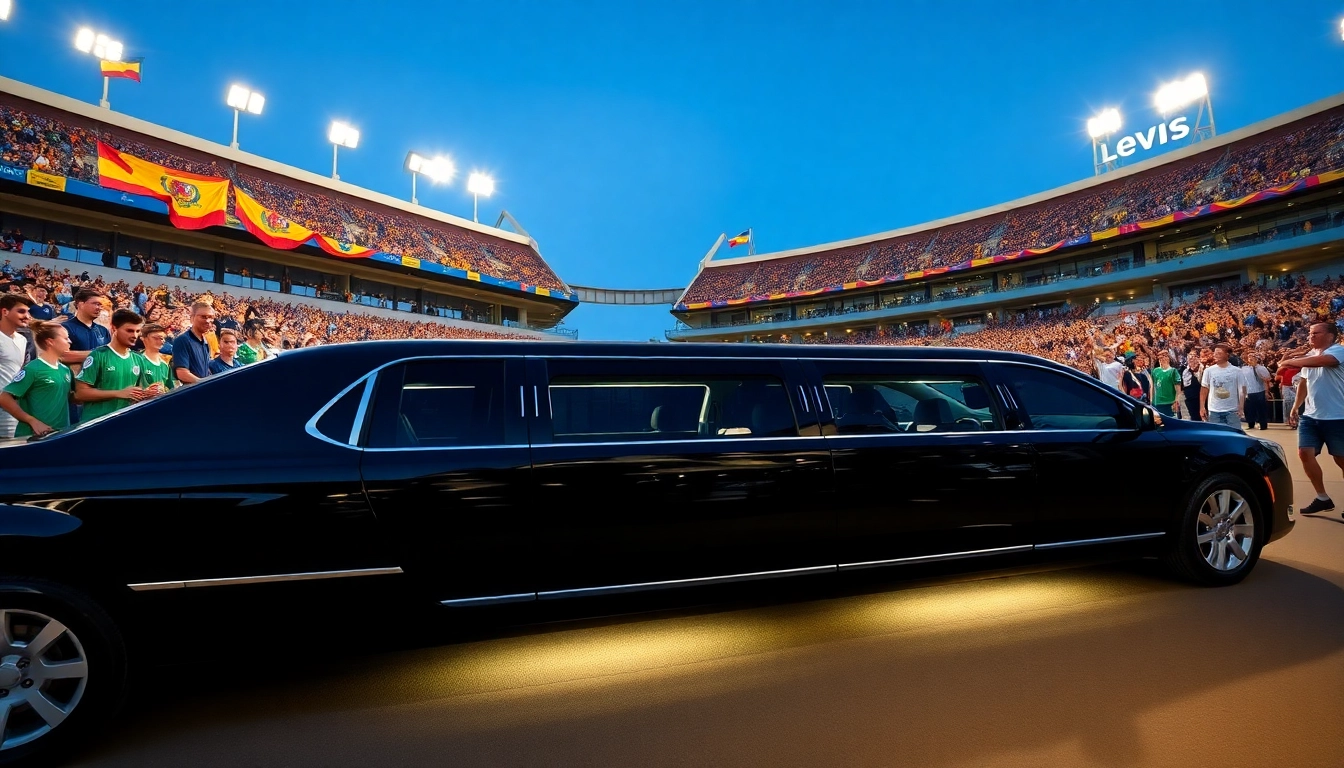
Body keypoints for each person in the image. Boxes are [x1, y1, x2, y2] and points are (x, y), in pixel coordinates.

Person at [1283, 322, 1344, 517]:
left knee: (1341, 460)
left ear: (1330, 336)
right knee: (1304, 453)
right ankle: (1322, 498)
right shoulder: (1310, 356)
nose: (1310, 336)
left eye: (1315, 333)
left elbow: (1323, 361)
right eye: (1310, 333)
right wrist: (1295, 406)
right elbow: (1304, 383)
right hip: (1310, 416)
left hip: (1337, 416)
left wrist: (1290, 361)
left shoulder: (1338, 352)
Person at [73, 309, 154, 422]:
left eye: (137, 331)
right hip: (96, 423)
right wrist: (118, 393)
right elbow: (80, 393)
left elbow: (137, 391)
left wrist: (150, 392)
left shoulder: (138, 359)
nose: (134, 335)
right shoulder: (98, 356)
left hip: (123, 423)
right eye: (129, 331)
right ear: (114, 328)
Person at [0, 321, 73, 438]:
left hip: (59, 435)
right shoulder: (33, 369)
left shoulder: (65, 370)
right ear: (50, 342)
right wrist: (32, 421)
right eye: (66, 338)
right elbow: (4, 398)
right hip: (34, 438)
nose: (70, 341)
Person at [0, 294, 32, 437]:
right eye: (21, 311)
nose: (27, 316)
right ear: (5, 311)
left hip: (13, 410)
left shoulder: (22, 339)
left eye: (28, 312)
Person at [1200, 343, 1244, 430]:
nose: (1215, 355)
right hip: (1214, 411)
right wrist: (1202, 407)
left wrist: (1241, 407)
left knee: (1234, 435)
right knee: (1216, 437)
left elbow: (1241, 390)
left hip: (1232, 411)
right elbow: (1204, 389)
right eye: (1214, 353)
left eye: (1219, 353)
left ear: (1227, 355)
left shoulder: (1237, 371)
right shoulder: (1208, 371)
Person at [172, 300, 216, 385]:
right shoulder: (183, 340)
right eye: (203, 317)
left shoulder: (205, 342)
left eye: (211, 317)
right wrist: (204, 384)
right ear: (192, 318)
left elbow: (205, 370)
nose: (207, 321)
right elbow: (182, 373)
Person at [138, 323, 175, 393]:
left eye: (163, 338)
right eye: (156, 338)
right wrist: (145, 392)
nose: (161, 340)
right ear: (143, 338)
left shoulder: (166, 362)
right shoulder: (136, 361)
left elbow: (171, 388)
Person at [1240, 353, 1271, 430]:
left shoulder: (1261, 368)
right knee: (1249, 409)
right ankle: (1250, 424)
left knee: (1261, 409)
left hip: (1259, 391)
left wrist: (1267, 392)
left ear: (1257, 359)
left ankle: (1263, 425)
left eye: (1253, 357)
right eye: (1249, 357)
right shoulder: (1243, 368)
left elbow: (1267, 379)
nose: (1250, 358)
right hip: (1249, 391)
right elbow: (1243, 381)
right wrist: (1243, 393)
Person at [1150, 352, 1181, 417]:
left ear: (1168, 359)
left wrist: (1176, 401)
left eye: (1164, 357)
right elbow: (1152, 387)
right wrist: (1151, 400)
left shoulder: (1173, 371)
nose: (1162, 359)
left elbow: (1178, 391)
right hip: (1157, 403)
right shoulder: (1155, 371)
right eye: (1160, 358)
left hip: (1169, 403)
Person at [1181, 353, 1205, 421]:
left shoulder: (1203, 368)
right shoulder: (1185, 371)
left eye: (1193, 357)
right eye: (1189, 358)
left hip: (1201, 399)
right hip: (1190, 400)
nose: (1191, 359)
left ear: (1198, 358)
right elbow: (1185, 385)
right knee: (1195, 419)